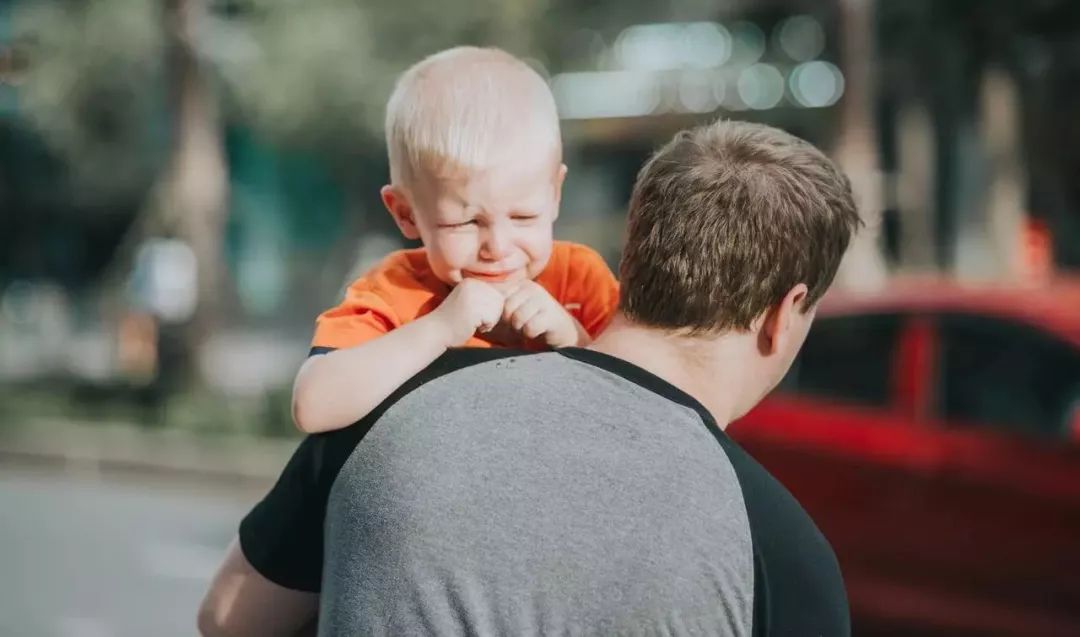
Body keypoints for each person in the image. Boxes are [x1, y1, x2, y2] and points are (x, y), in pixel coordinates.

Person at [199, 118, 862, 637]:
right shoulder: (783, 553)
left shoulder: (391, 408)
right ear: (783, 314)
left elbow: (229, 618)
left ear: (633, 259)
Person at [291, 46, 619, 434]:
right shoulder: (393, 292)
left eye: (523, 216)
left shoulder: (579, 279)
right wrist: (439, 328)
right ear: (405, 213)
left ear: (555, 195)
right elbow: (313, 407)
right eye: (464, 222)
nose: (497, 247)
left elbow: (645, 406)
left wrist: (574, 339)